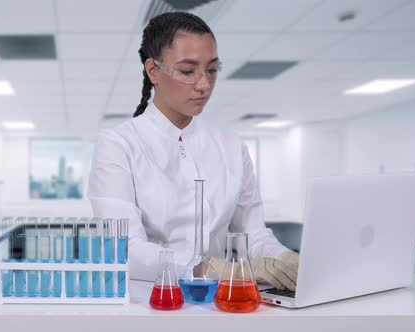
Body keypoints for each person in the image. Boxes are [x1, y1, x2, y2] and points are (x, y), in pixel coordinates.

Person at [88, 12, 298, 290]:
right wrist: (206, 267)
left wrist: (283, 259)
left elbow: (254, 233)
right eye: (188, 71)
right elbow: (123, 248)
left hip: (217, 301)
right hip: (150, 301)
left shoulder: (231, 146)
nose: (204, 84)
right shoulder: (118, 144)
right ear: (153, 71)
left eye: (212, 70)